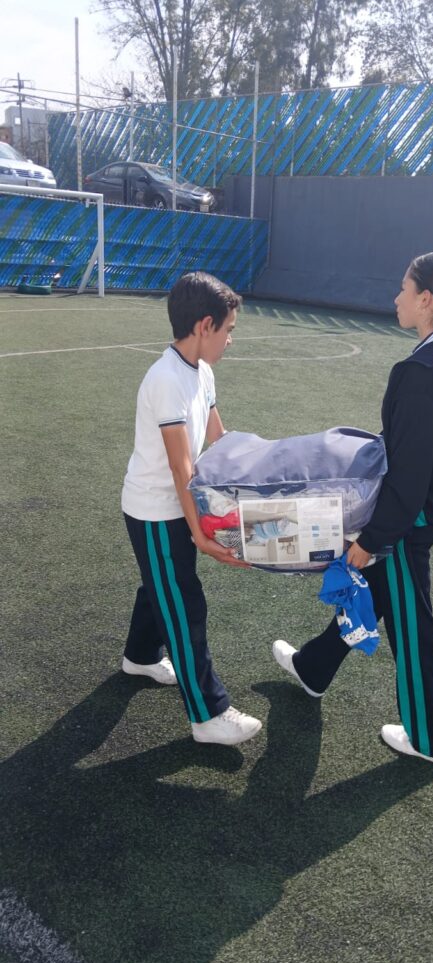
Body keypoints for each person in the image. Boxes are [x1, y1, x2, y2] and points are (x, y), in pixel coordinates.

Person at [273, 250, 433, 766]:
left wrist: (371, 540)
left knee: (413, 626)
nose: (396, 298)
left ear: (426, 299)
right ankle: (315, 667)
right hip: (424, 512)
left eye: (403, 289)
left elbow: (409, 476)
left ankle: (432, 741)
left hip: (410, 522)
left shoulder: (420, 370)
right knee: (378, 594)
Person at [121, 271, 262, 745]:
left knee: (161, 585)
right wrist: (200, 533)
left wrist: (262, 467)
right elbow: (182, 465)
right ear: (205, 326)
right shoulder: (166, 379)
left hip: (175, 507)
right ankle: (208, 715)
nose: (230, 339)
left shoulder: (201, 371)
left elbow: (218, 438)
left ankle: (140, 656)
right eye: (229, 329)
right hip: (155, 511)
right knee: (183, 603)